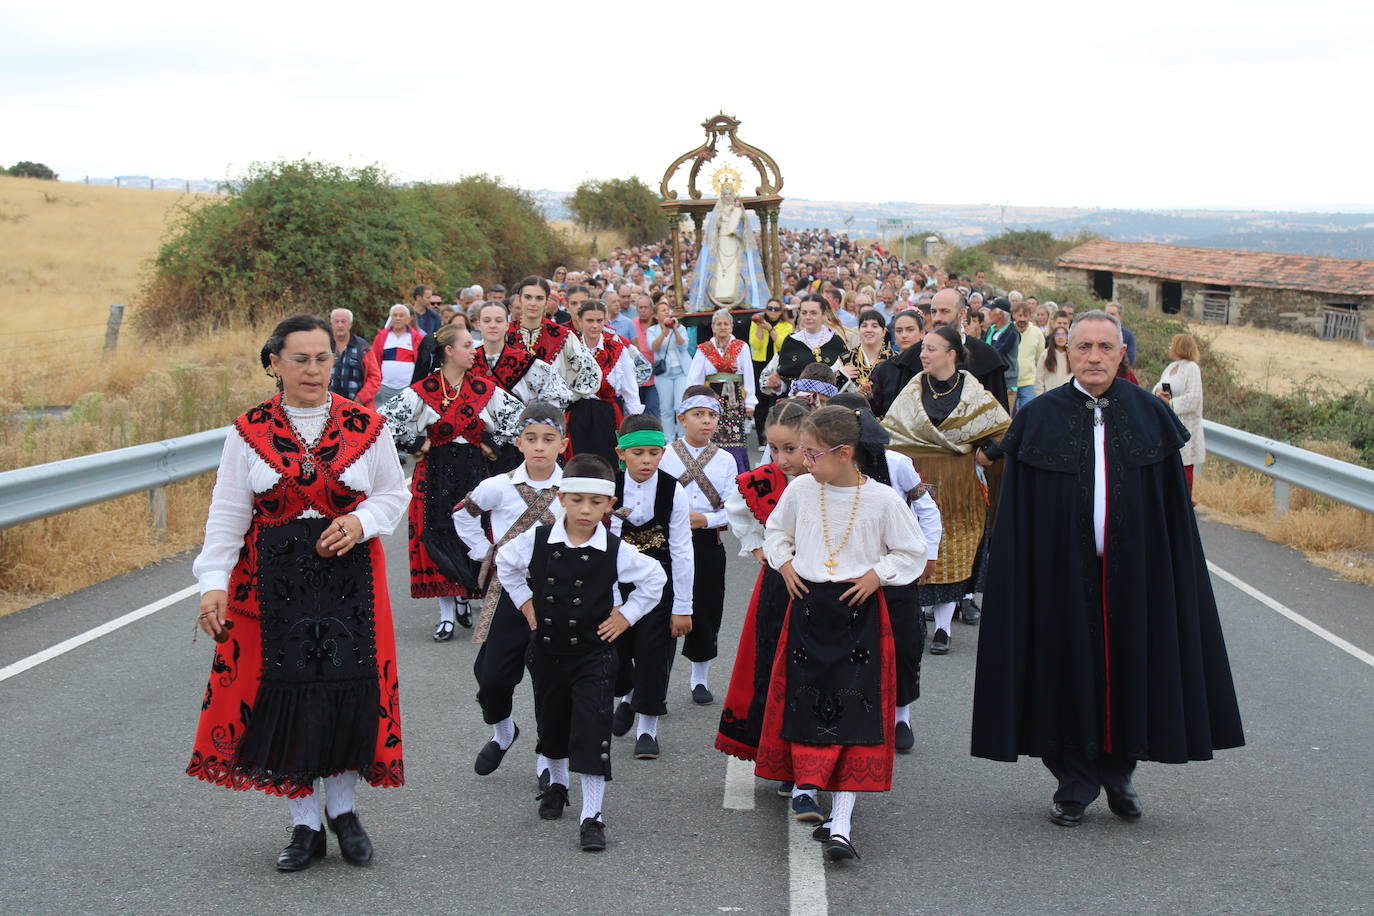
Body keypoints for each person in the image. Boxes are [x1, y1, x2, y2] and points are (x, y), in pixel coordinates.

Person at [971, 311, 1243, 827]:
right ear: (1067, 352)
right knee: (1061, 671)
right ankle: (1074, 781)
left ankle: (1119, 773)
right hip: (1056, 572)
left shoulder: (1149, 413)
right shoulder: (1040, 416)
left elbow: (1172, 510)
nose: (1094, 357)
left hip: (1135, 573)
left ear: (1122, 354)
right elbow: (1018, 509)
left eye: (1105, 347)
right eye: (1083, 347)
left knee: (1131, 670)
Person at [189, 314, 409, 871]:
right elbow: (227, 516)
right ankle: (305, 824)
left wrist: (361, 522)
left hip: (349, 583)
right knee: (286, 697)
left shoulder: (366, 425)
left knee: (344, 692)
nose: (314, 370)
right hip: (271, 586)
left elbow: (392, 494)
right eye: (301, 359)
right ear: (275, 364)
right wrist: (212, 584)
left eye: (322, 358)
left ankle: (345, 812)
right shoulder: (248, 432)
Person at [758, 406, 927, 861]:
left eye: (812, 454)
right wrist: (786, 562)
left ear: (844, 453)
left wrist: (878, 575)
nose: (803, 461)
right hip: (810, 610)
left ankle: (843, 823)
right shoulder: (799, 490)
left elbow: (913, 550)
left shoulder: (884, 501)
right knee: (806, 702)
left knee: (856, 714)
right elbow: (776, 532)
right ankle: (805, 787)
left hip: (859, 615)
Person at [495, 454, 667, 852]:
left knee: (592, 733)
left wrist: (627, 615)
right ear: (561, 498)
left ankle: (593, 815)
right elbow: (505, 563)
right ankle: (556, 785)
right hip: (548, 651)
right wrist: (525, 605)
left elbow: (654, 578)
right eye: (577, 500)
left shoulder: (615, 548)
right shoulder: (538, 541)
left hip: (595, 655)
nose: (586, 510)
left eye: (596, 502)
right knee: (552, 727)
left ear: (609, 505)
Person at [380, 325, 525, 640]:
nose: (474, 351)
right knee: (436, 536)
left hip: (473, 471)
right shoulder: (424, 390)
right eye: (467, 345)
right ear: (448, 351)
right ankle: (446, 614)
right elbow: (382, 421)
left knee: (471, 535)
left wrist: (494, 442)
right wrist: (416, 443)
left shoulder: (483, 388)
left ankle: (464, 594)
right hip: (434, 471)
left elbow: (519, 418)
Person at [881, 326, 1012, 655]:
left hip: (958, 482)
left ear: (951, 354)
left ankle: (942, 629)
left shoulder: (973, 391)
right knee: (913, 545)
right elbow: (892, 431)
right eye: (923, 348)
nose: (923, 354)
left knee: (953, 550)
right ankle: (913, 621)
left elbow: (1003, 428)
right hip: (917, 476)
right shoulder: (913, 388)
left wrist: (989, 452)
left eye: (931, 349)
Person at [455, 401, 566, 782]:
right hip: (508, 591)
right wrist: (483, 550)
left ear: (562, 445)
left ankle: (549, 761)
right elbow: (463, 513)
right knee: (492, 679)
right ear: (518, 442)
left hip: (556, 595)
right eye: (531, 438)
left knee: (550, 682)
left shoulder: (571, 489)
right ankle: (503, 732)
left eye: (548, 439)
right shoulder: (497, 486)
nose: (539, 446)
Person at [828, 392, 942, 754]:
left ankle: (900, 715)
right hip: (845, 571)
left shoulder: (898, 463)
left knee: (904, 644)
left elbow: (926, 509)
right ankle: (848, 712)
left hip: (894, 570)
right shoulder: (825, 464)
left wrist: (929, 554)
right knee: (847, 646)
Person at [715, 398, 811, 772]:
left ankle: (807, 756)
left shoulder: (824, 479)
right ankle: (775, 751)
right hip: (777, 585)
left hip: (820, 584)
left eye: (790, 448)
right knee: (770, 663)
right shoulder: (764, 480)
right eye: (773, 448)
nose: (781, 458)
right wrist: (756, 545)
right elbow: (737, 506)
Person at [609, 414, 694, 760]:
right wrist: (612, 599)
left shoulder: (674, 490)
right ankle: (627, 693)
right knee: (616, 655)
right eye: (638, 453)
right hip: (619, 583)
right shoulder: (610, 489)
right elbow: (605, 546)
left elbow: (681, 548)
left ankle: (647, 727)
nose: (646, 461)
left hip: (660, 584)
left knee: (654, 654)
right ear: (621, 453)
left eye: (654, 453)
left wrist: (682, 606)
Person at [658, 386, 740, 705]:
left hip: (706, 541)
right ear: (681, 419)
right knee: (664, 607)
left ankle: (699, 677)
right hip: (666, 540)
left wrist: (706, 520)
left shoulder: (726, 460)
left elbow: (734, 507)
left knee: (706, 608)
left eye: (711, 415)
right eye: (698, 415)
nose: (706, 421)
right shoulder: (665, 454)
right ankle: (656, 679)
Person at [871, 289, 1011, 418]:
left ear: (962, 313)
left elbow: (998, 418)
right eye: (934, 312)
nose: (937, 318)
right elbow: (901, 414)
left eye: (944, 311)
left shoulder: (986, 356)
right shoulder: (912, 356)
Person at [471, 301, 576, 472]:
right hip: (474, 447)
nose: (492, 325)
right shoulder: (467, 361)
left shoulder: (526, 362)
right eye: (487, 320)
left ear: (507, 325)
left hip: (515, 449)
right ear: (478, 324)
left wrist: (532, 431)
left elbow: (557, 398)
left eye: (498, 320)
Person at [567, 299, 644, 465]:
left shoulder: (615, 347)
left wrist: (635, 421)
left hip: (608, 413)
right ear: (579, 321)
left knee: (609, 462)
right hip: (578, 413)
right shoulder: (571, 347)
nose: (594, 326)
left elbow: (629, 387)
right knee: (581, 462)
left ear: (605, 321)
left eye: (599, 320)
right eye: (589, 320)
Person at [686, 308, 757, 474]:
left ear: (732, 327)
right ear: (713, 327)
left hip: (735, 397)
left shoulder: (741, 347)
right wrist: (694, 400)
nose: (722, 327)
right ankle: (711, 472)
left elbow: (749, 375)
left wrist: (750, 402)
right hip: (712, 398)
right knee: (712, 433)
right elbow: (694, 377)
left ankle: (738, 473)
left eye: (726, 324)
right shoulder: (704, 349)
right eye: (719, 324)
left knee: (735, 436)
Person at [508, 277, 601, 397]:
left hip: (551, 411)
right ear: (520, 300)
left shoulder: (562, 335)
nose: (533, 303)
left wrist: (567, 397)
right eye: (528, 297)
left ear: (546, 302)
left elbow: (591, 373)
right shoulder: (506, 333)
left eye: (539, 298)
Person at [761, 294, 848, 397]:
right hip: (798, 404)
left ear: (824, 314)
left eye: (813, 313)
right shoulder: (791, 341)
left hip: (829, 405)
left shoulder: (836, 342)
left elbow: (845, 379)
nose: (808, 317)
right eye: (804, 312)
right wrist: (778, 385)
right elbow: (785, 379)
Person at [1152, 332, 1206, 495]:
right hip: (1167, 423)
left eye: (1172, 344)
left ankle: (1185, 502)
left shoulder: (1192, 368)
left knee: (1184, 467)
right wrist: (1158, 395)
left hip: (1185, 423)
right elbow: (1158, 386)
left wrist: (1172, 403)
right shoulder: (1171, 367)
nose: (1170, 347)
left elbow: (1195, 398)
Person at [646, 300, 694, 439]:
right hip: (664, 374)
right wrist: (664, 331)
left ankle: (682, 437)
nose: (667, 312)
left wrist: (675, 330)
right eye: (662, 310)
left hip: (681, 372)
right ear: (656, 315)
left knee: (680, 406)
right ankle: (669, 439)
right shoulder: (651, 330)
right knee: (666, 408)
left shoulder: (680, 328)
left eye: (668, 310)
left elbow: (683, 346)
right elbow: (653, 347)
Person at [749, 298, 793, 447]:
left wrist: (770, 329)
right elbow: (755, 344)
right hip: (760, 363)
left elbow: (783, 345)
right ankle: (762, 438)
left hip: (777, 365)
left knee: (773, 402)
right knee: (760, 402)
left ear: (781, 312)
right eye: (770, 308)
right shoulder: (756, 324)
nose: (772, 311)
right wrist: (760, 327)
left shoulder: (786, 326)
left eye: (776, 309)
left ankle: (773, 437)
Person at [868, 309, 924, 418]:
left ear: (921, 333)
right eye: (899, 331)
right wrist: (869, 396)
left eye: (910, 330)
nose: (904, 335)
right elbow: (877, 409)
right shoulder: (884, 369)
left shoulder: (932, 366)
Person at [835, 309, 894, 407]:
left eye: (874, 326)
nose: (869, 330)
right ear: (859, 330)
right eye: (864, 326)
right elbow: (829, 390)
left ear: (883, 332)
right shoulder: (845, 359)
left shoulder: (893, 359)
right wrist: (842, 375)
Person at [371, 304, 424, 407]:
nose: (398, 318)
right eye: (395, 315)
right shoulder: (381, 337)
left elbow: (421, 363)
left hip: (408, 387)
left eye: (401, 315)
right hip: (385, 387)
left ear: (408, 319)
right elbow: (374, 361)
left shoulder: (417, 338)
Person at [328, 307, 380, 406]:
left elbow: (374, 377)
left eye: (343, 321)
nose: (340, 325)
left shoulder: (362, 347)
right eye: (336, 321)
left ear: (350, 324)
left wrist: (360, 399)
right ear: (331, 324)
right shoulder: (324, 346)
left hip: (358, 406)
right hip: (328, 406)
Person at [1012, 302, 1045, 414]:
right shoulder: (1008, 330)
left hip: (1029, 382)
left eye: (1025, 316)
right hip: (1010, 382)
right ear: (1014, 315)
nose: (1022, 319)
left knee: (1028, 414)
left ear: (1030, 316)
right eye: (1019, 315)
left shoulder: (1037, 332)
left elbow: (1039, 357)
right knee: (1008, 416)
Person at [1037, 325, 1072, 394]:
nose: (1060, 337)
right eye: (1058, 334)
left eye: (1063, 334)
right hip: (1050, 396)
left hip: (1069, 396)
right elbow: (1039, 379)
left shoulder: (1072, 354)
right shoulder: (1045, 354)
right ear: (1053, 337)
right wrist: (1039, 395)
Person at [1105, 302, 1137, 366]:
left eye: (1112, 314)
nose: (1109, 317)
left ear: (1120, 316)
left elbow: (1130, 359)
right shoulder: (1098, 332)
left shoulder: (1128, 336)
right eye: (1106, 314)